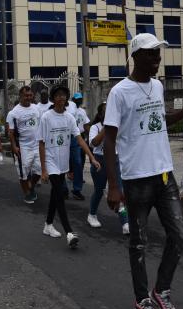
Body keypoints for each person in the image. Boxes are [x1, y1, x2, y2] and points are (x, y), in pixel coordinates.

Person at [103, 32, 183, 309]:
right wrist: (113, 184)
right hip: (136, 179)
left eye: (158, 53)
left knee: (179, 236)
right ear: (135, 57)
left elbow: (160, 119)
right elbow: (109, 141)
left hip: (164, 175)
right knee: (138, 243)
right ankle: (141, 301)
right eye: (151, 54)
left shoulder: (158, 86)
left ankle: (160, 291)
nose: (157, 59)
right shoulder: (120, 93)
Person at [39, 85, 99, 248]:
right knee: (59, 193)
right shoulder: (46, 117)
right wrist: (44, 169)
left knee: (55, 194)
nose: (61, 98)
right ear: (53, 98)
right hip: (51, 161)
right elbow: (42, 143)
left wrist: (92, 158)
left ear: (66, 98)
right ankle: (69, 232)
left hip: (63, 161)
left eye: (63, 95)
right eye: (57, 95)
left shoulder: (69, 118)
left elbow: (80, 140)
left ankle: (48, 225)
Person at [87, 102, 130, 234]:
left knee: (120, 191)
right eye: (106, 111)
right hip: (99, 161)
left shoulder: (118, 126)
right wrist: (106, 126)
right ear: (101, 115)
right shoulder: (95, 127)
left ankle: (125, 223)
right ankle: (92, 215)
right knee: (99, 190)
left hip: (115, 160)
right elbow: (94, 143)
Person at [6, 85, 42, 204]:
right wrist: (14, 146)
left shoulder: (37, 108)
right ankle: (27, 193)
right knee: (23, 171)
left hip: (37, 145)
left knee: (39, 169)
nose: (28, 97)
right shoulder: (14, 113)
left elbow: (41, 125)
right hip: (23, 146)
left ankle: (30, 186)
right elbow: (10, 132)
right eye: (26, 95)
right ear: (20, 96)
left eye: (30, 95)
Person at [68, 92, 91, 200]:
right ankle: (63, 189)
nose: (79, 101)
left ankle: (77, 189)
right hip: (68, 136)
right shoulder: (68, 108)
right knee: (65, 162)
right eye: (77, 99)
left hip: (79, 137)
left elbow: (86, 125)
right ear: (73, 99)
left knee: (78, 162)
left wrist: (89, 137)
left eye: (80, 99)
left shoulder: (82, 111)